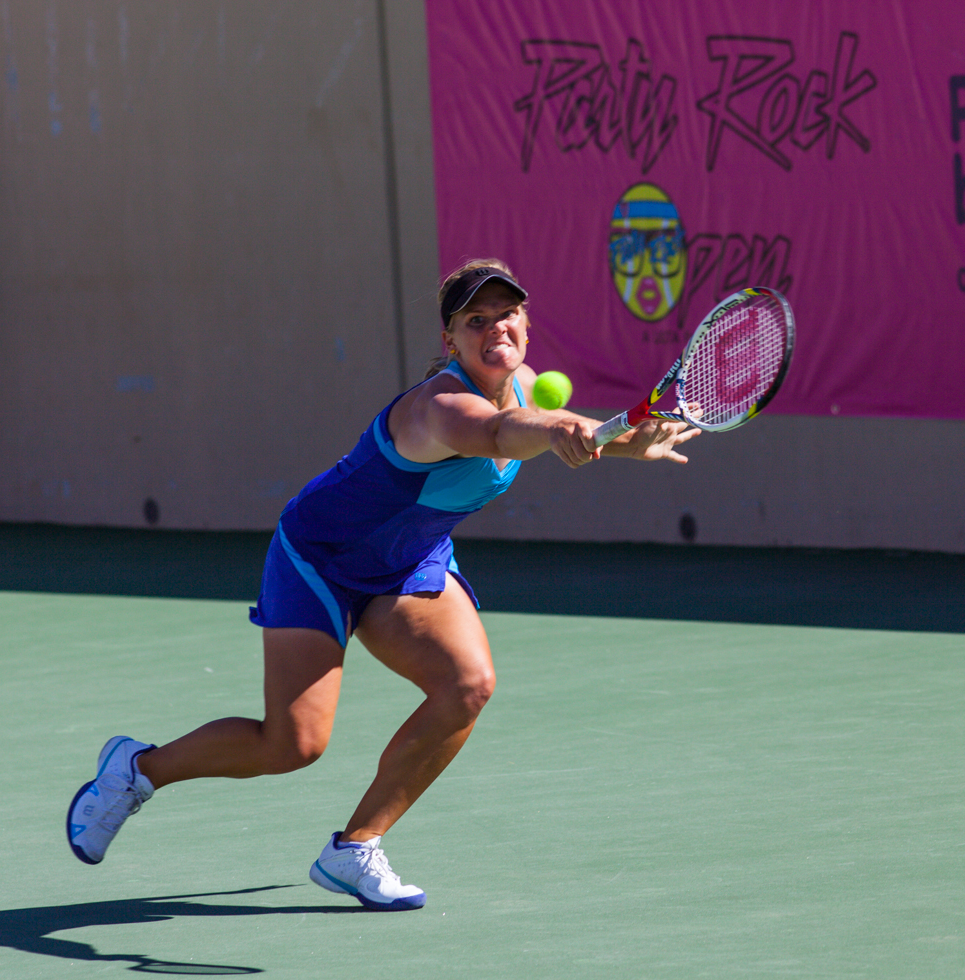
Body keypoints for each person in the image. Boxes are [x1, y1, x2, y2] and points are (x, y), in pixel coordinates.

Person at [66, 258, 701, 911]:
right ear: (450, 340)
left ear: (527, 325)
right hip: (322, 558)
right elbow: (498, 433)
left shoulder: (529, 386)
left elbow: (543, 430)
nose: (495, 330)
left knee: (468, 687)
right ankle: (137, 772)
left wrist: (626, 445)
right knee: (293, 746)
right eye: (475, 320)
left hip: (408, 562)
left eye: (507, 315)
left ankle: (353, 849)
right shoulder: (440, 407)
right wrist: (561, 426)